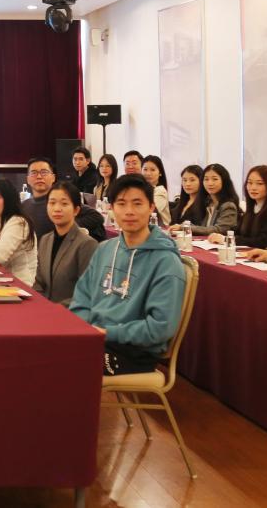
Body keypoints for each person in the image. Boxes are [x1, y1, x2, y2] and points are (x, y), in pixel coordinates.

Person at [70, 174, 187, 376]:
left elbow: (161, 328)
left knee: (60, 368)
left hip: (133, 351)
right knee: (41, 352)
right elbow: (82, 299)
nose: (129, 211)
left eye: (137, 203)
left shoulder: (166, 262)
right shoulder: (105, 249)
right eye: (121, 204)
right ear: (112, 208)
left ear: (151, 208)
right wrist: (87, 330)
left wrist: (107, 333)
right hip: (95, 340)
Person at [33, 182, 99, 306]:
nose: (57, 209)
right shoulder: (45, 240)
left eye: (64, 204)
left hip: (72, 313)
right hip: (45, 310)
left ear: (76, 210)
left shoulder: (86, 244)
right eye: (52, 203)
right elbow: (39, 282)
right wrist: (40, 306)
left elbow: (87, 292)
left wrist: (55, 309)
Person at [216, 165, 267, 249]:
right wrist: (220, 235)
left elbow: (264, 242)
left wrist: (227, 239)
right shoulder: (252, 208)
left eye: (260, 183)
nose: (253, 188)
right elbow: (238, 231)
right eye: (250, 183)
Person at [20, 156, 58, 239]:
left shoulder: (60, 202)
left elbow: (90, 215)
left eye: (44, 172)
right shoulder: (23, 206)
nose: (39, 177)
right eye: (34, 173)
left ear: (53, 177)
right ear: (28, 179)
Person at [197, 164, 239, 236]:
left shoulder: (228, 205)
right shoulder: (207, 203)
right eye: (206, 179)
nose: (210, 183)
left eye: (215, 179)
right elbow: (203, 228)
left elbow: (219, 230)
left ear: (224, 181)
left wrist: (187, 227)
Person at [141, 155, 172, 226]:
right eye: (145, 169)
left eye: (152, 170)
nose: (148, 173)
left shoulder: (160, 191)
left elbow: (148, 211)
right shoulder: (140, 189)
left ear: (160, 173)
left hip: (162, 230)